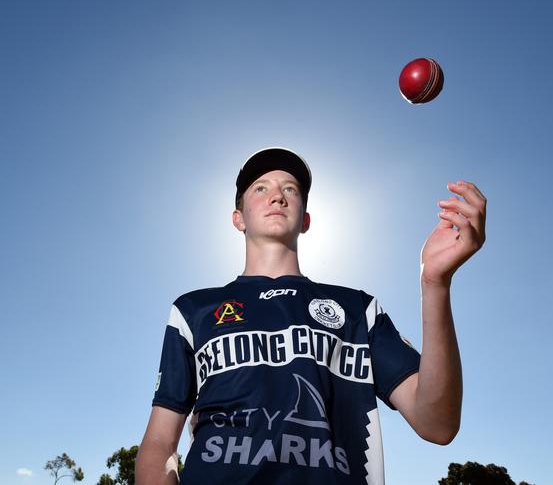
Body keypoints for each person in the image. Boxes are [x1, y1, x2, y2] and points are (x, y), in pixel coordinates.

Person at [135, 147, 487, 484]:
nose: (277, 196)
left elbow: (437, 423)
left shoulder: (356, 310)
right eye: (261, 188)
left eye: (290, 188)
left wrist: (435, 284)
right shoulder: (193, 310)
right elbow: (160, 444)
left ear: (305, 219)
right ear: (238, 218)